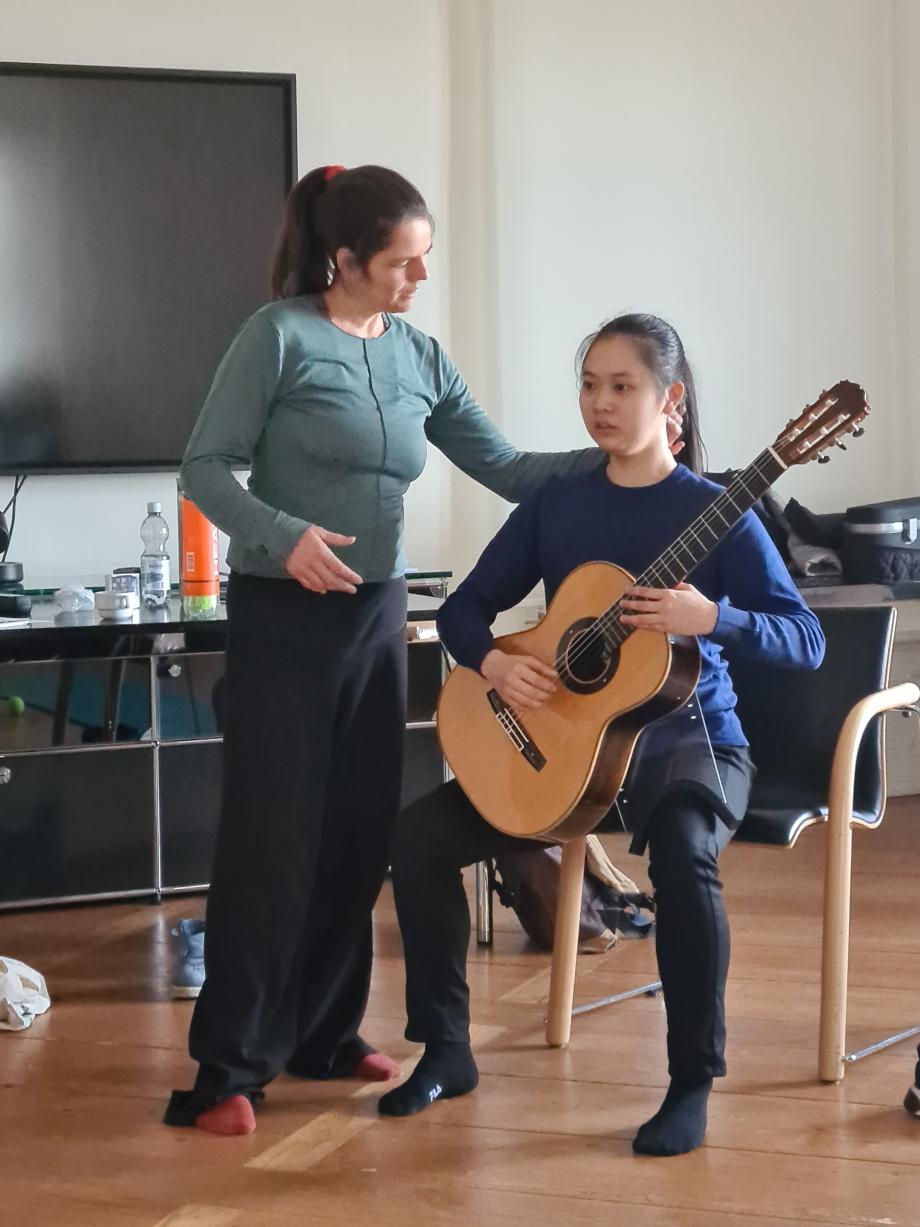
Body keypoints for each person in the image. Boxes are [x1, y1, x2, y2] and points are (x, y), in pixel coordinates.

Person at [163, 164, 648, 1136]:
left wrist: (621, 455)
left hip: (379, 620)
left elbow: (507, 468)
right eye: (403, 263)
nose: (419, 278)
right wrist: (279, 536)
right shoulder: (278, 338)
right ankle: (229, 1068)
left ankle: (324, 1035)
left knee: (355, 835)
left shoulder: (417, 354)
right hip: (281, 622)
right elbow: (204, 467)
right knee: (272, 843)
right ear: (344, 259)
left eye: (425, 260)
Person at [380, 313, 826, 1157]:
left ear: (671, 401)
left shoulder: (714, 511)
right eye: (590, 384)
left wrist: (713, 615)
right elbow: (466, 608)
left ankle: (691, 1080)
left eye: (622, 386)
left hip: (693, 741)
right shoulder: (560, 504)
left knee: (687, 855)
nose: (600, 403)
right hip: (564, 752)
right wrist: (495, 666)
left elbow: (805, 639)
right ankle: (445, 1049)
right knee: (419, 836)